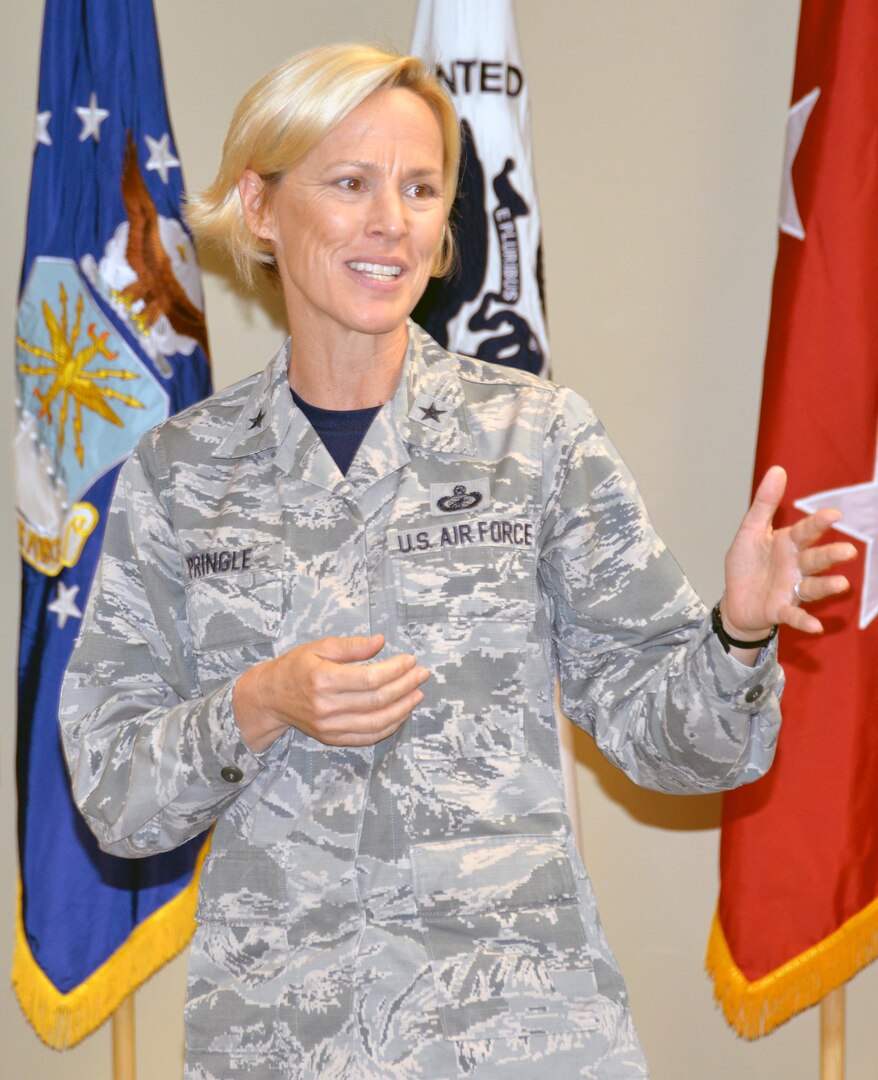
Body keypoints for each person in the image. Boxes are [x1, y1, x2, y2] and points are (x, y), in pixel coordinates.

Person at [60, 43, 855, 1080]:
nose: (392, 218)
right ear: (260, 208)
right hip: (277, 1046)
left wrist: (734, 633)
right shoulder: (178, 472)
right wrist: (257, 702)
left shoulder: (537, 440)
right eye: (350, 183)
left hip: (519, 1042)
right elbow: (115, 802)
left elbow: (686, 750)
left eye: (421, 187)